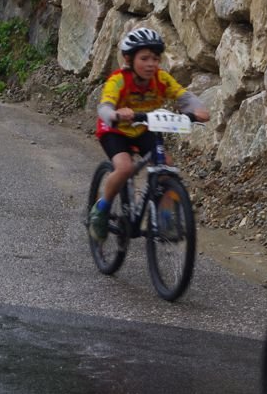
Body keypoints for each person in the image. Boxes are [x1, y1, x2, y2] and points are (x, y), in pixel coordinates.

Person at [87, 28, 210, 241]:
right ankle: (102, 208)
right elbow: (104, 107)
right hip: (115, 129)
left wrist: (198, 110)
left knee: (166, 167)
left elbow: (184, 96)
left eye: (155, 58)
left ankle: (165, 218)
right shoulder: (119, 80)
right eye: (144, 58)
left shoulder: (161, 79)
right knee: (124, 168)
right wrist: (116, 114)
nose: (151, 64)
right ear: (129, 59)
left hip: (143, 128)